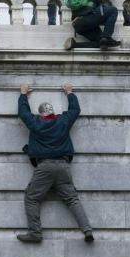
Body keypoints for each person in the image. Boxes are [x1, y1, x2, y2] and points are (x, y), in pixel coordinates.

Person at [16, 82, 93, 243]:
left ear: (41, 113)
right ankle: (87, 230)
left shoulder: (36, 123)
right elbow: (75, 110)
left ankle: (35, 233)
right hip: (64, 166)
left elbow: (23, 113)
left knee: (31, 197)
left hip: (44, 167)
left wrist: (23, 94)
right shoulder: (63, 121)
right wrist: (70, 93)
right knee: (72, 199)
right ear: (52, 112)